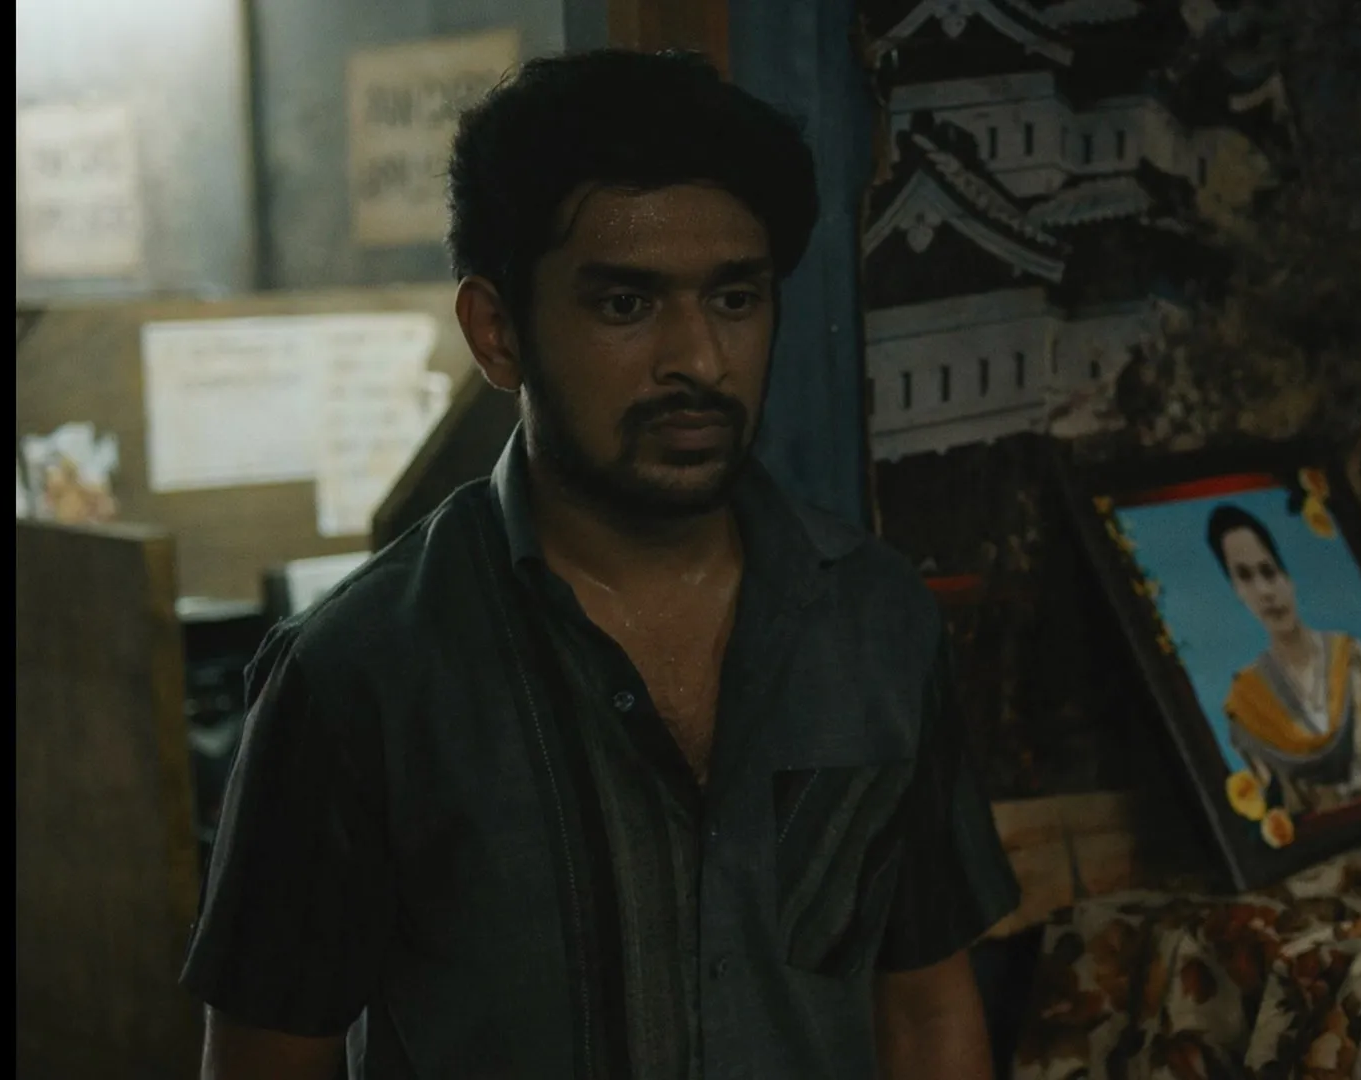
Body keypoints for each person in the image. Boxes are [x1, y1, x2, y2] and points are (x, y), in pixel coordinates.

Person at [181, 49, 1020, 1080]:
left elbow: (926, 1014)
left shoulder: (876, 623)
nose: (698, 360)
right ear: (498, 333)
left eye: (735, 298)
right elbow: (268, 1062)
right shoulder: (361, 675)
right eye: (627, 305)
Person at [1207, 503, 1361, 816]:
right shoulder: (1249, 705)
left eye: (1268, 571)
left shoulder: (1352, 657)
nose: (1265, 591)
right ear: (1237, 591)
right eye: (1246, 577)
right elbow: (1286, 818)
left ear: (1287, 577)